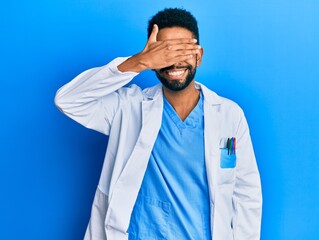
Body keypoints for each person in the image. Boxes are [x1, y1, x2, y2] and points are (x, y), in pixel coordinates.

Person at [55, 8, 262, 240]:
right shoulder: (129, 107)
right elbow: (68, 100)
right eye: (164, 52)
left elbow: (245, 193)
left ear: (199, 55)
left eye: (182, 50)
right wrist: (138, 61)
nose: (173, 61)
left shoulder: (228, 116)